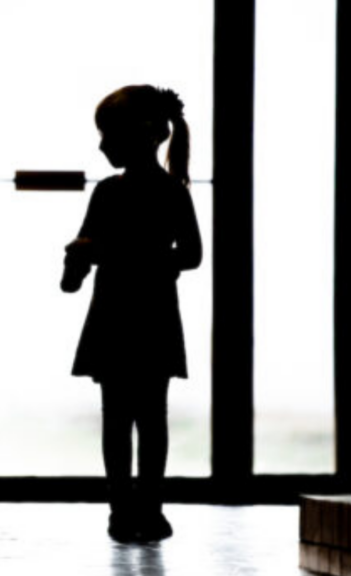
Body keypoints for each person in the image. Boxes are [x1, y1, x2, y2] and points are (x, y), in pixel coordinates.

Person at [61, 85, 202, 542]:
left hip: (127, 313)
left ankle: (132, 508)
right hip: (145, 312)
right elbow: (186, 257)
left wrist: (103, 256)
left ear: (141, 136)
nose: (102, 145)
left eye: (108, 135)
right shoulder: (144, 191)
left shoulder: (159, 192)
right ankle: (135, 508)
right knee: (141, 417)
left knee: (123, 418)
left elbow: (192, 255)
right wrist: (79, 263)